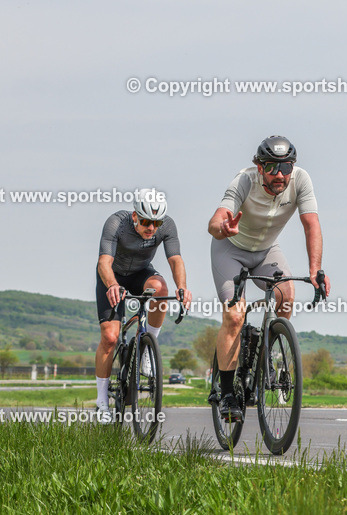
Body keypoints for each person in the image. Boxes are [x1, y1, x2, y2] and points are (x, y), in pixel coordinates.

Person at [207, 136, 330, 422]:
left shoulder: (300, 180)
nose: (280, 174)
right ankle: (226, 393)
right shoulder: (244, 180)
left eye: (286, 167)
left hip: (266, 251)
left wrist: (315, 269)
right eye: (272, 167)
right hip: (230, 249)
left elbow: (311, 224)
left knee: (287, 295)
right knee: (235, 316)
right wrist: (224, 227)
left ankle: (265, 356)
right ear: (259, 167)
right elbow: (214, 222)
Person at [94, 189, 191, 420]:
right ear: (135, 216)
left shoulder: (167, 226)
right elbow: (104, 261)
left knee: (162, 289)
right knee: (110, 337)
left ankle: (148, 347)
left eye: (156, 223)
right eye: (147, 222)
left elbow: (175, 259)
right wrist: (111, 285)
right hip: (112, 276)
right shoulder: (116, 223)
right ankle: (101, 402)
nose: (152, 228)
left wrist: (182, 287)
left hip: (140, 273)